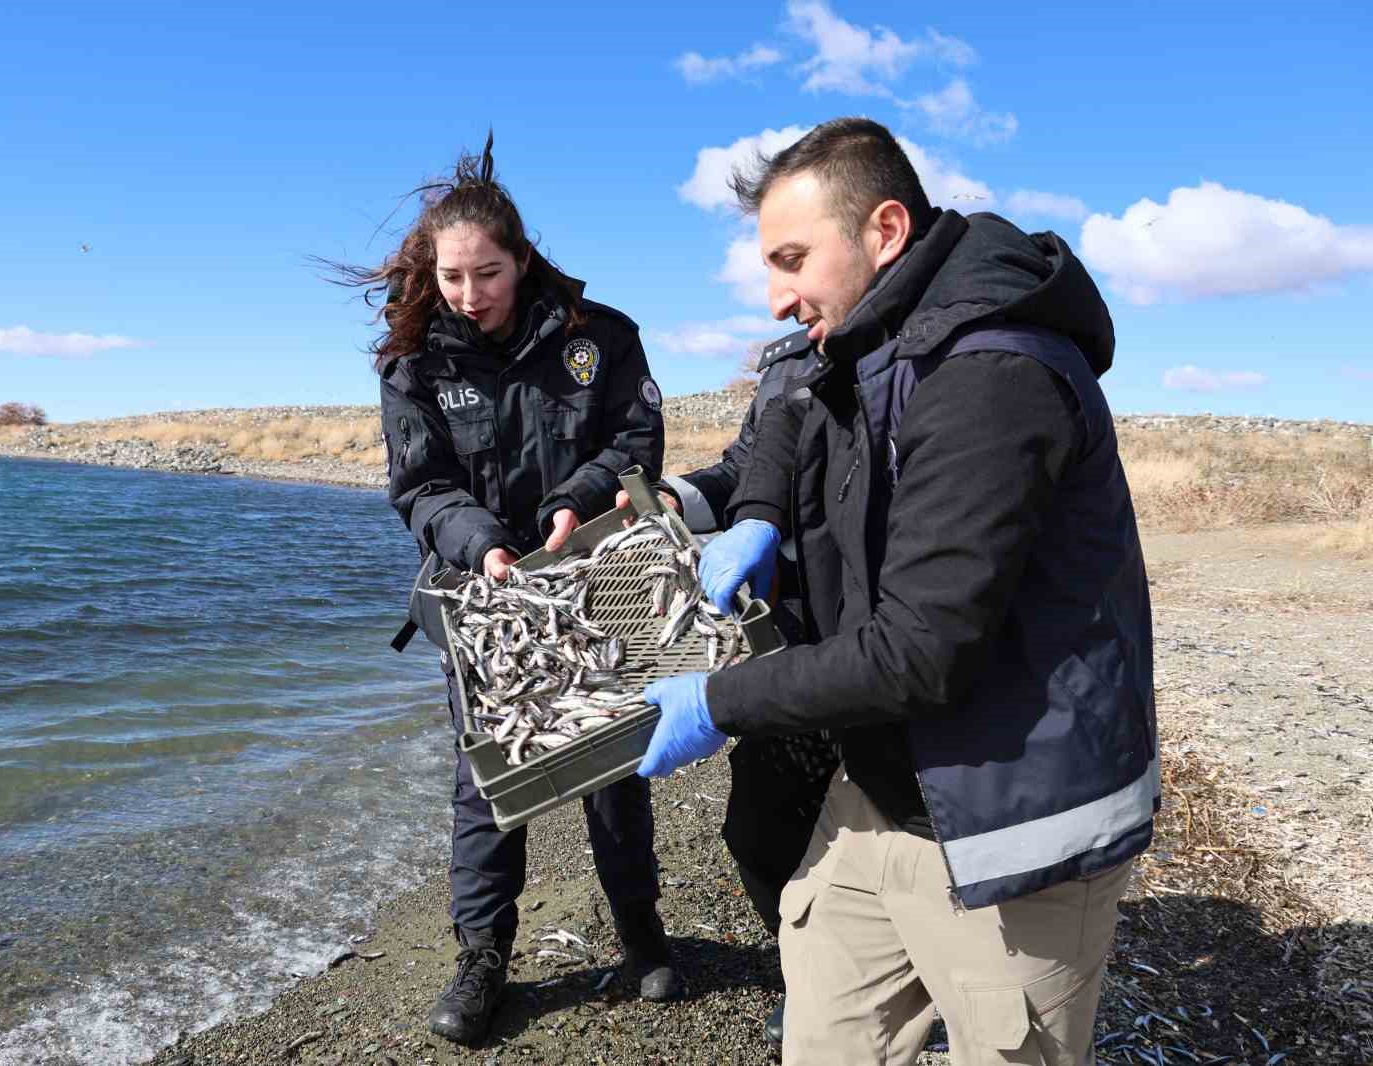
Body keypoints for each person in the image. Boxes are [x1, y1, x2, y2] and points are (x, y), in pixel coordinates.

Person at [638, 117, 1157, 1066]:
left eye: (793, 259)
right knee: (825, 1038)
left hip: (1015, 821)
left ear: (884, 232)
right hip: (881, 785)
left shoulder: (990, 371)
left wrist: (717, 702)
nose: (776, 294)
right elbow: (790, 413)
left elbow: (921, 650)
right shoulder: (866, 339)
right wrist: (755, 511)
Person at [333, 134, 682, 1045]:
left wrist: (573, 505)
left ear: (521, 261)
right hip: (480, 597)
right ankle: (484, 956)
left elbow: (635, 446)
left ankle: (641, 933)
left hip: (596, 580)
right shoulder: (412, 361)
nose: (469, 294)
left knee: (613, 760)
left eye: (487, 273)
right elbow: (420, 488)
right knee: (490, 775)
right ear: (431, 270)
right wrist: (483, 544)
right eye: (453, 276)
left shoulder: (600, 338)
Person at [628, 330, 839, 1047]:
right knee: (757, 831)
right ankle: (806, 969)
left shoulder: (911, 363)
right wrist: (677, 498)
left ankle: (882, 983)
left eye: (796, 260)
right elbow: (745, 467)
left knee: (883, 835)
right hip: (784, 639)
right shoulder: (787, 365)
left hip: (878, 643)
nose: (786, 300)